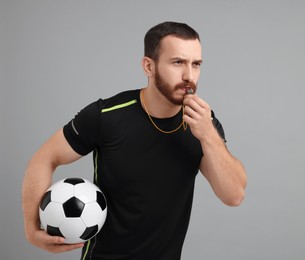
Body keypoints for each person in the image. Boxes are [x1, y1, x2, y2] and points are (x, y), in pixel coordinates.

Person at [22, 21, 247, 260]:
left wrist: (208, 134)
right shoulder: (107, 116)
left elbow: (233, 195)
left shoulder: (203, 123)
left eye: (196, 64)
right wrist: (31, 228)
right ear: (148, 66)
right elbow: (44, 158)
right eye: (178, 62)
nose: (189, 76)